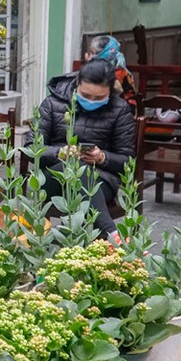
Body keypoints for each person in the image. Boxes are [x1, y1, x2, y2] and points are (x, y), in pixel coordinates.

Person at [31, 59, 137, 241]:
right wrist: (60, 153)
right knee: (74, 168)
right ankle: (111, 234)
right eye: (85, 95)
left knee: (82, 173)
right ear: (77, 84)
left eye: (98, 98)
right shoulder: (52, 103)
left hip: (100, 180)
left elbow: (127, 161)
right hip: (54, 176)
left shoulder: (120, 110)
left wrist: (102, 158)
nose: (91, 101)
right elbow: (31, 147)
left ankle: (62, 245)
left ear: (110, 92)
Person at [85, 35, 135, 105]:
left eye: (93, 53)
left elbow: (118, 90)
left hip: (122, 108)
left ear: (104, 53)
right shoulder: (99, 67)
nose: (91, 57)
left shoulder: (119, 71)